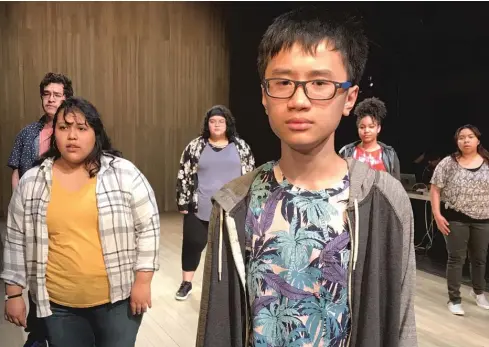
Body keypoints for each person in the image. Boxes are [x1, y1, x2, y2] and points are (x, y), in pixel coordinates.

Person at [196, 6, 417, 347]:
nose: (299, 100)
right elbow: (216, 325)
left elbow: (400, 325)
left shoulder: (383, 199)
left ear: (350, 98)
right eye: (282, 83)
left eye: (319, 83)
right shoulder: (233, 204)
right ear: (264, 96)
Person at [1, 97, 160, 347]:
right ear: (54, 135)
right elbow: (15, 238)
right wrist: (14, 293)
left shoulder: (124, 174)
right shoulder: (32, 181)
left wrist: (143, 281)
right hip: (59, 305)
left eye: (81, 128)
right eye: (64, 128)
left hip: (118, 300)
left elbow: (149, 227)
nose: (72, 136)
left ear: (96, 133)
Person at [6, 72, 73, 347]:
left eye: (57, 94)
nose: (52, 99)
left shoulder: (75, 131)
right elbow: (16, 171)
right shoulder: (27, 134)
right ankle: (41, 331)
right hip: (33, 216)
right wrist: (18, 205)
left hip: (66, 215)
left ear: (67, 98)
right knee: (37, 274)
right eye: (47, 94)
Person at [175, 105, 255, 300]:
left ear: (227, 124)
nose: (217, 125)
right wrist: (183, 203)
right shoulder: (195, 146)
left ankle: (233, 286)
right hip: (200, 204)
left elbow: (251, 175)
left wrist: (250, 202)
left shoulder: (241, 147)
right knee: (193, 243)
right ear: (207, 124)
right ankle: (186, 282)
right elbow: (184, 173)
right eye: (213, 121)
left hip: (233, 207)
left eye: (221, 121)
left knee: (232, 246)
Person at [430, 124, 489, 316]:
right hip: (455, 218)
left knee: (479, 259)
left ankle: (479, 292)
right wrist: (437, 215)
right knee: (456, 259)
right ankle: (454, 299)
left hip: (483, 218)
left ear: (478, 140)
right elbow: (435, 189)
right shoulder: (448, 163)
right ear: (457, 141)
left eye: (470, 137)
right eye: (462, 137)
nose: (466, 140)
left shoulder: (487, 161)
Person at [339, 97, 401, 180]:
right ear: (357, 128)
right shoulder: (346, 152)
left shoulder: (390, 154)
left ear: (378, 128)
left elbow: (396, 185)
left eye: (371, 127)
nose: (366, 130)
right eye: (362, 127)